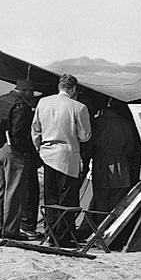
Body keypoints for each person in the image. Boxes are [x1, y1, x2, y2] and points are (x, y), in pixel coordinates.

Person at [31, 73, 92, 246]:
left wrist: (39, 147)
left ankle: (51, 234)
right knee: (67, 199)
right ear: (73, 89)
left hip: (47, 153)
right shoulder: (78, 107)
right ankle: (63, 237)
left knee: (51, 198)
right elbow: (85, 135)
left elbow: (35, 129)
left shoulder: (43, 103)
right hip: (67, 155)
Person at [0, 80, 41, 235]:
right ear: (27, 91)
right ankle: (10, 231)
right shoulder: (21, 105)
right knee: (14, 191)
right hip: (13, 150)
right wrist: (26, 152)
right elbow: (19, 134)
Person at [83, 105, 141, 216]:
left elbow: (89, 144)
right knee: (118, 198)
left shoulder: (97, 122)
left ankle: (100, 226)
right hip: (120, 163)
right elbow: (131, 147)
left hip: (101, 162)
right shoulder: (126, 123)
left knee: (101, 198)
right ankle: (113, 225)